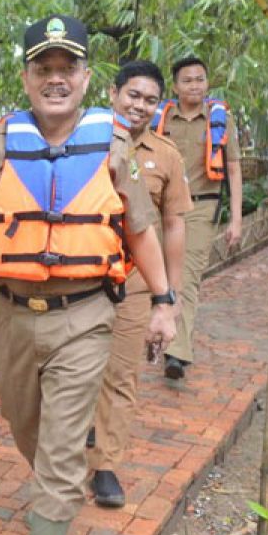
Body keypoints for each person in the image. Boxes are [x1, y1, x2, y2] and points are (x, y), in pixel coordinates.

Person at [0, 16, 177, 535]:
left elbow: (140, 230)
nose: (55, 79)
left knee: (65, 446)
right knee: (26, 426)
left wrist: (164, 302)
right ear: (26, 77)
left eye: (66, 68)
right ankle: (53, 493)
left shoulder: (113, 146)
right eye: (42, 68)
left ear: (86, 76)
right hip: (14, 316)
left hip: (86, 316)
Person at [87, 61, 191, 509]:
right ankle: (75, 441)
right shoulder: (81, 138)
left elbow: (173, 226)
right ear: (113, 93)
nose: (140, 106)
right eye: (133, 95)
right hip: (81, 278)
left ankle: (105, 465)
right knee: (73, 370)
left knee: (121, 373)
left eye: (150, 100)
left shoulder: (165, 154)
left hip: (131, 282)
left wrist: (168, 298)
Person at [152, 56, 243, 380]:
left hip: (200, 208)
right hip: (160, 207)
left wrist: (235, 220)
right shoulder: (158, 118)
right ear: (175, 86)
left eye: (200, 79)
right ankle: (157, 332)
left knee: (187, 278)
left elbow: (233, 167)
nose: (195, 85)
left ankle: (177, 353)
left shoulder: (219, 120)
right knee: (155, 276)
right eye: (187, 80)